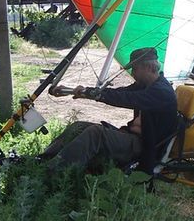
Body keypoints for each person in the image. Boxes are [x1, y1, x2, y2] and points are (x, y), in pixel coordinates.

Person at [39, 47, 178, 176]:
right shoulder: (145, 86)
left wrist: (95, 94)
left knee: (96, 133)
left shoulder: (162, 91)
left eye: (135, 69)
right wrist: (84, 92)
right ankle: (42, 160)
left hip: (144, 146)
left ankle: (51, 173)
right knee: (78, 126)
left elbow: (126, 98)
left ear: (149, 68)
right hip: (131, 137)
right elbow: (119, 92)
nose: (132, 73)